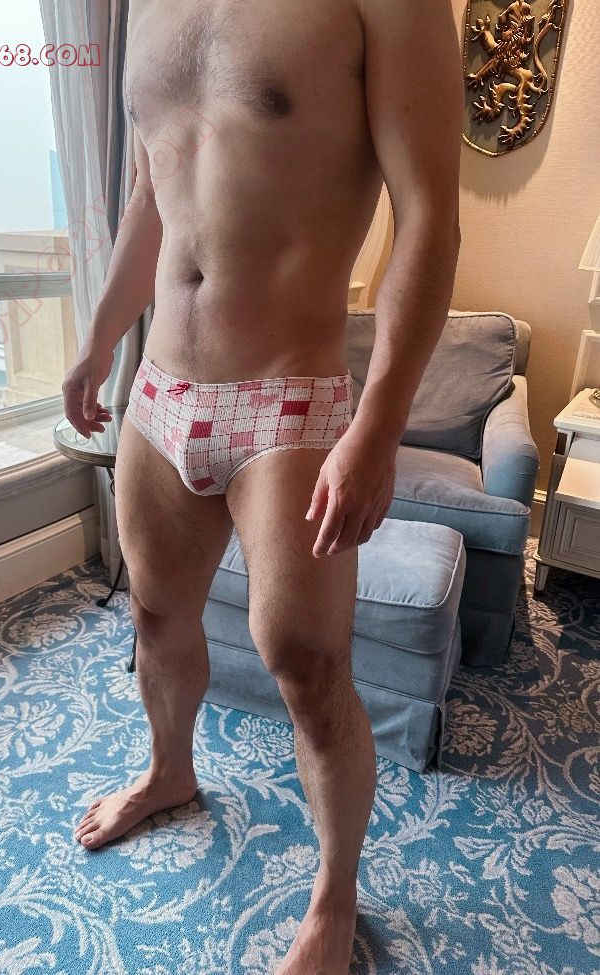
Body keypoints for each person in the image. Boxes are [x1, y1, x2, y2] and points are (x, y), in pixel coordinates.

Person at [62, 1, 463, 971]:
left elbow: (428, 217)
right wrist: (101, 338)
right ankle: (169, 771)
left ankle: (334, 899)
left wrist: (376, 429)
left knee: (308, 667)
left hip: (291, 397)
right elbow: (149, 197)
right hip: (160, 390)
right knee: (155, 616)